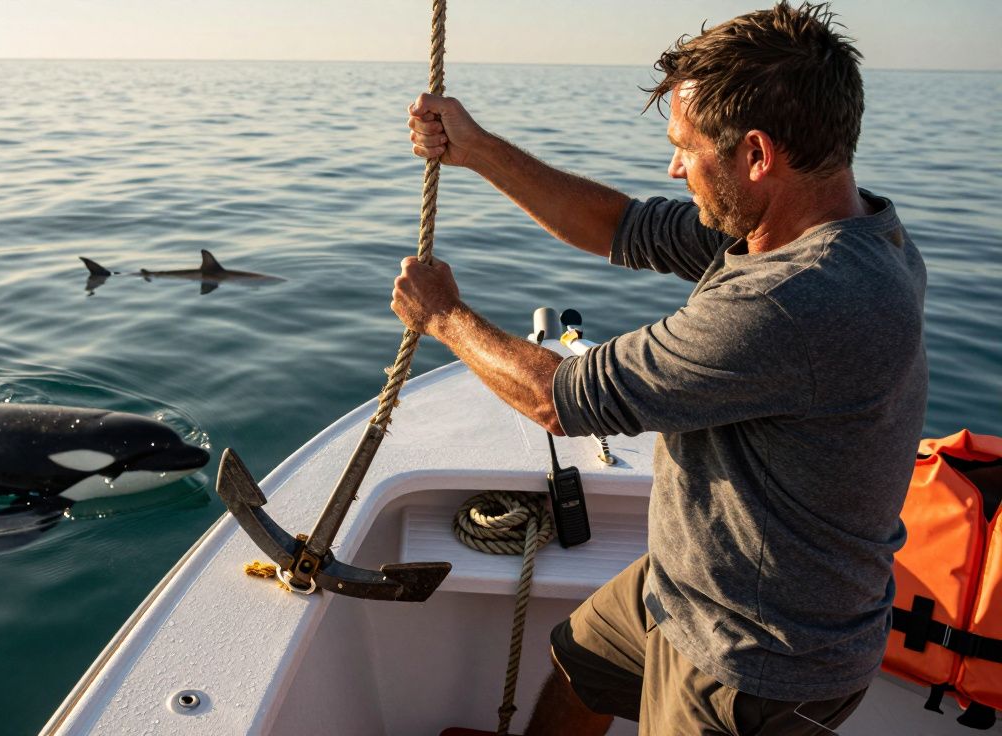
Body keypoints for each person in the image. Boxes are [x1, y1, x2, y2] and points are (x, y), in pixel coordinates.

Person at [392, 3, 927, 734]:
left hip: (752, 660)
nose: (675, 167)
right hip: (692, 585)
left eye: (687, 147)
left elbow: (561, 397)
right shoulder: (840, 228)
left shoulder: (793, 301)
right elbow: (620, 227)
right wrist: (476, 148)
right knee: (582, 662)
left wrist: (443, 316)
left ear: (757, 155)